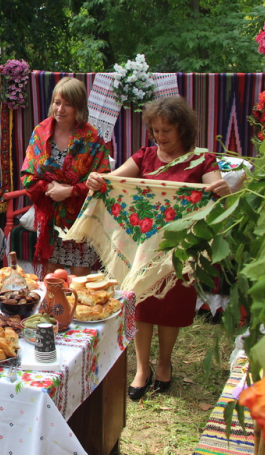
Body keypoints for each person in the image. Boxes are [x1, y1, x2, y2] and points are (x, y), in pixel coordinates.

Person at [87, 96, 230, 401]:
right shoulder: (145, 156)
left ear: (183, 129)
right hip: (143, 250)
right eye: (155, 130)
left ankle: (164, 363)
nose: (160, 137)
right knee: (141, 303)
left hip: (179, 251)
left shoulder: (202, 161)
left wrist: (221, 189)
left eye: (166, 130)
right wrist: (99, 179)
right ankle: (142, 368)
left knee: (171, 306)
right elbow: (114, 181)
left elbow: (214, 188)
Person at [21, 77, 110, 276]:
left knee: (80, 277)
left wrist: (70, 191)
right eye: (57, 102)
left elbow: (103, 180)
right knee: (53, 277)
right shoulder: (40, 133)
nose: (60, 109)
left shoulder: (93, 138)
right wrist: (49, 189)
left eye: (68, 104)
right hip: (50, 217)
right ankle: (54, 309)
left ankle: (80, 308)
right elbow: (27, 174)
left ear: (78, 107)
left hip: (82, 218)